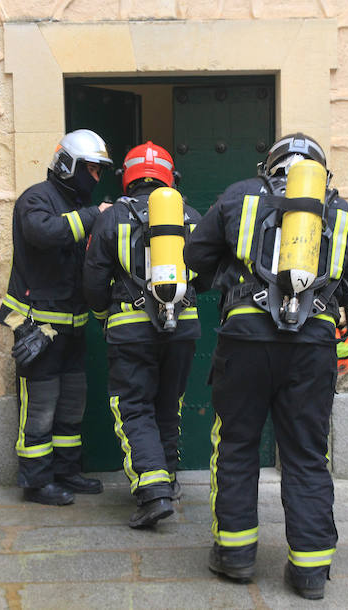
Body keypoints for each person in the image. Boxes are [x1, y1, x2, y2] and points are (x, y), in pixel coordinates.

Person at [183, 133, 348, 600]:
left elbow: (195, 256)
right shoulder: (340, 212)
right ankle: (308, 570)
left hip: (244, 338)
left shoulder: (239, 196)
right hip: (312, 345)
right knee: (306, 452)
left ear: (271, 166)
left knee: (237, 445)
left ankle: (236, 556)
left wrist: (231, 278)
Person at [83, 142, 208, 528]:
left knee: (134, 406)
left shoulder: (112, 217)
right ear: (171, 177)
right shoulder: (191, 216)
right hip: (183, 327)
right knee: (167, 403)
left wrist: (106, 314)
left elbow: (92, 281)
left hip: (129, 329)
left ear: (128, 176)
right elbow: (204, 274)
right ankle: (167, 479)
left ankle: (153, 493)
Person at [0, 129, 113, 506]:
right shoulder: (37, 199)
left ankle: (66, 471)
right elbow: (44, 233)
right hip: (39, 328)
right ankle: (36, 482)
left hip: (73, 328)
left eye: (99, 172)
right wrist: (96, 215)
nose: (96, 179)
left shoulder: (77, 204)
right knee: (41, 406)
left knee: (71, 404)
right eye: (92, 170)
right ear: (69, 165)